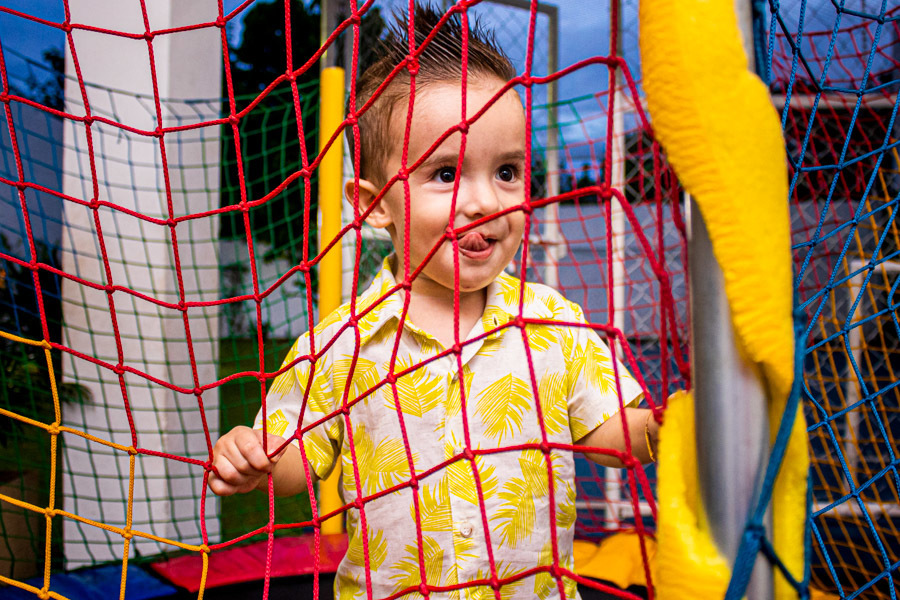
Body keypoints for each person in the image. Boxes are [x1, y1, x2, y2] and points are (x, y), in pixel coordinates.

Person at [210, 4, 660, 599]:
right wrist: (258, 456)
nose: (484, 202)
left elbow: (610, 438)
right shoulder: (343, 342)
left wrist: (666, 425)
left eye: (506, 171)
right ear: (372, 206)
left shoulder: (554, 325)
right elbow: (299, 460)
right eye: (446, 174)